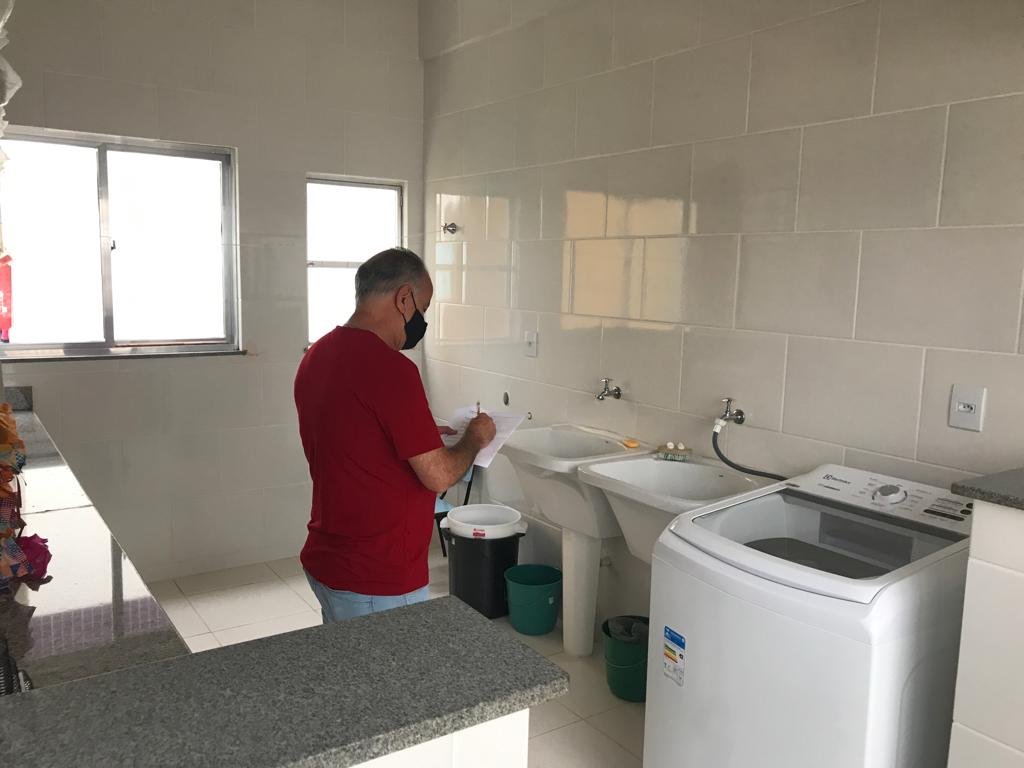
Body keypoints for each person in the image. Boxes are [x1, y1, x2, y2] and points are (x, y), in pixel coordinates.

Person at [294, 247, 496, 623]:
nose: (422, 320)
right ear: (404, 299)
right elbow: (439, 476)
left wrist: (420, 434)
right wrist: (475, 437)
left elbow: (353, 433)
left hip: (329, 559)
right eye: (423, 307)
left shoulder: (317, 354)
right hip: (377, 576)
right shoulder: (391, 370)